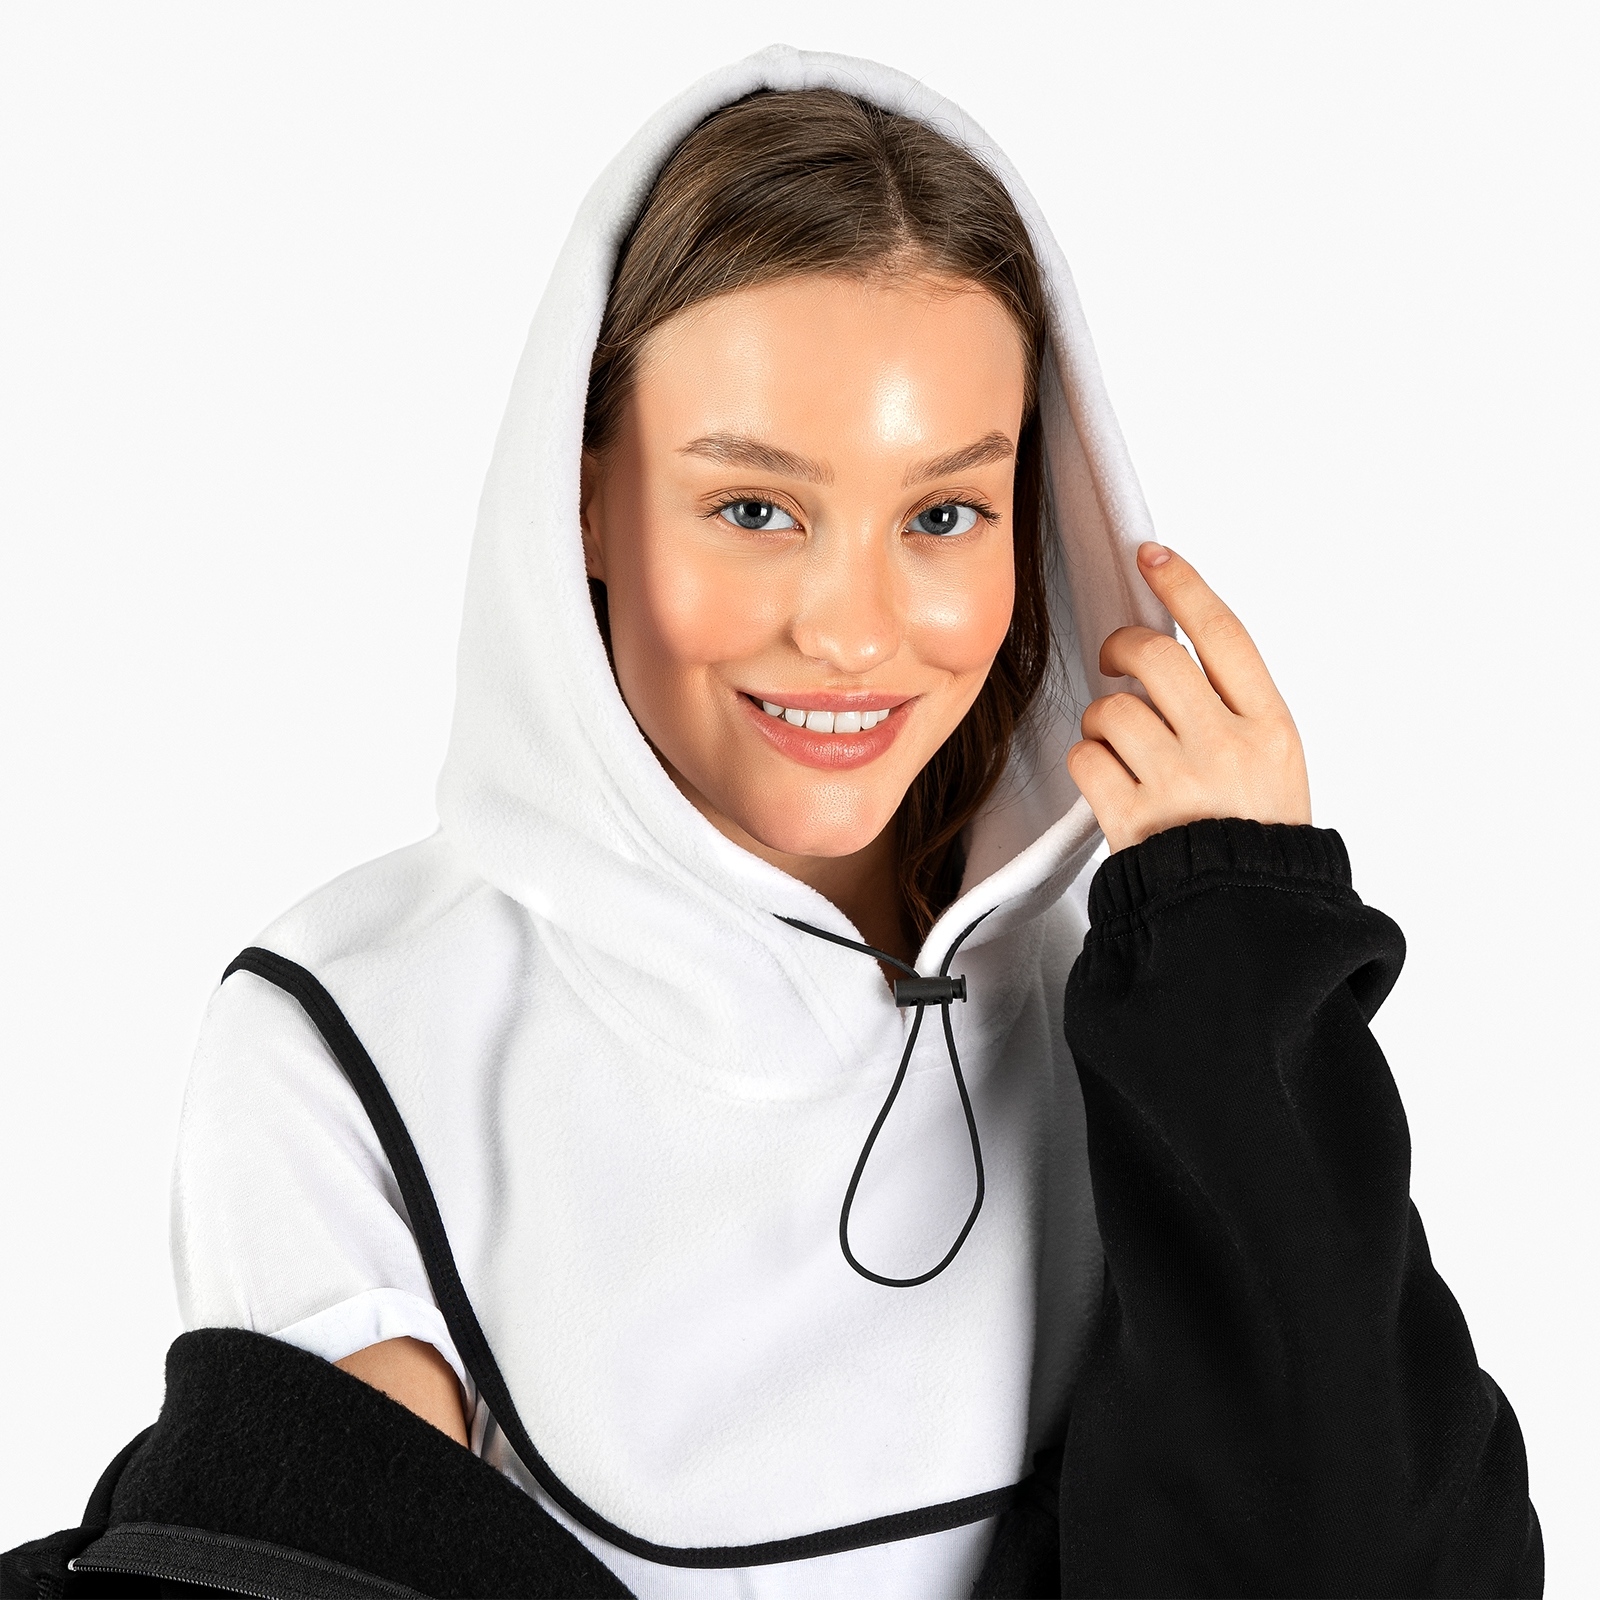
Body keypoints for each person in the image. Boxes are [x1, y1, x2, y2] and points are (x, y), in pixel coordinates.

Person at [2, 45, 1540, 1600]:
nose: (853, 632)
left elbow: (1395, 1562)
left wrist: (1246, 953)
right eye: (755, 509)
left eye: (943, 514)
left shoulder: (1150, 997)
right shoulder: (349, 1033)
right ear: (585, 499)